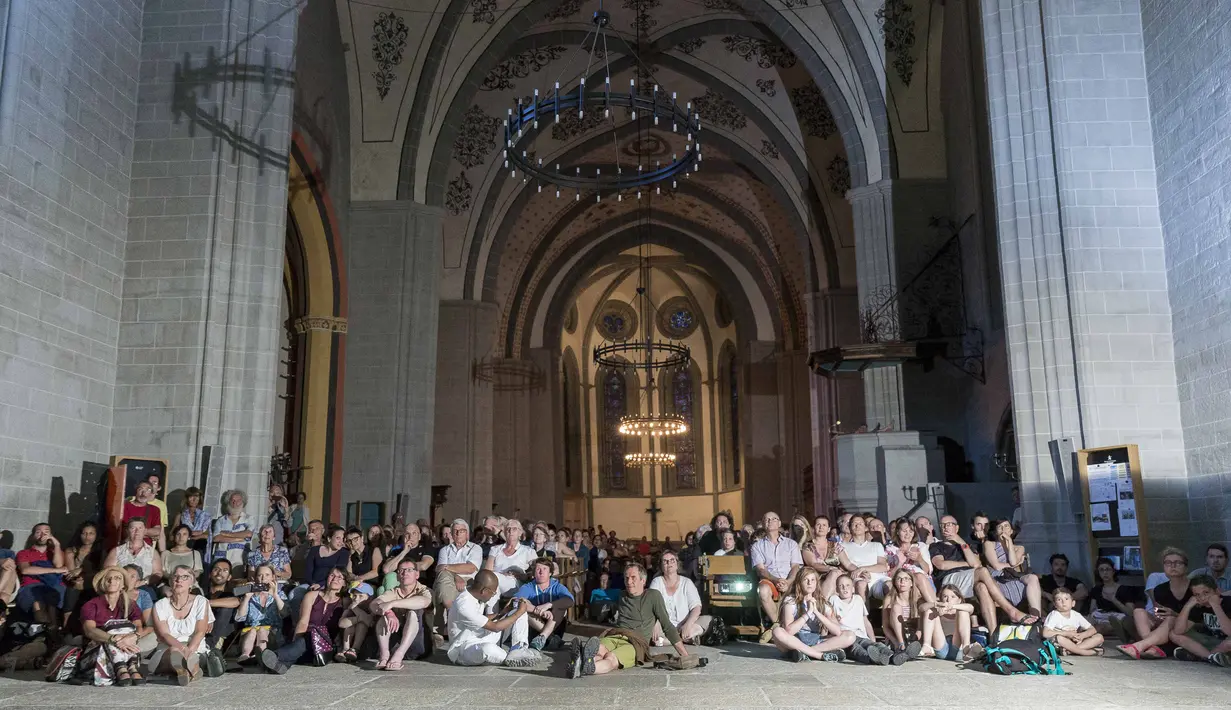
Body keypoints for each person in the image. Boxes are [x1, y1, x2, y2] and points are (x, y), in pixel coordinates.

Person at [569, 562, 685, 678]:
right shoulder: (621, 595)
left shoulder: (653, 596)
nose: (629, 582)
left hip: (636, 643)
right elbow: (601, 598)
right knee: (599, 649)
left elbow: (667, 626)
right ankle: (582, 662)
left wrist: (684, 655)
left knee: (611, 657)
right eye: (627, 578)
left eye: (633, 578)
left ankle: (583, 664)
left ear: (643, 580)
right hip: (615, 635)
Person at [929, 515, 1035, 628]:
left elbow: (975, 564)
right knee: (982, 571)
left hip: (969, 579)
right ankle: (1012, 611)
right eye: (942, 525)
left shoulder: (966, 545)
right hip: (950, 580)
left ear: (957, 528)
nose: (946, 527)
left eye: (949, 524)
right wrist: (966, 564)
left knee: (981, 588)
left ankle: (993, 634)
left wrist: (960, 542)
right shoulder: (936, 546)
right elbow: (941, 564)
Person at [261, 567, 346, 673]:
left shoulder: (344, 602)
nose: (335, 579)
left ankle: (277, 656)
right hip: (304, 639)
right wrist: (295, 643)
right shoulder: (311, 596)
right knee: (306, 639)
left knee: (307, 640)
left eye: (339, 577)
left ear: (344, 583)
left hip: (324, 647)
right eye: (332, 575)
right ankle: (279, 665)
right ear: (327, 577)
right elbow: (303, 621)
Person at [446, 569, 538, 667]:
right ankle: (509, 657)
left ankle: (518, 650)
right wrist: (520, 612)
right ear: (484, 591)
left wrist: (503, 613)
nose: (493, 595)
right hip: (464, 648)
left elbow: (480, 618)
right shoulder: (464, 605)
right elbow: (495, 627)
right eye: (493, 593)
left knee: (516, 611)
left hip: (482, 634)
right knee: (488, 649)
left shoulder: (473, 593)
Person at [1118, 547, 1192, 659]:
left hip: (1189, 624)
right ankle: (1150, 646)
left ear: (1185, 567)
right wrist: (1159, 618)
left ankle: (1140, 646)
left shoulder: (1194, 586)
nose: (1172, 566)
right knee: (1138, 611)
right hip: (1166, 625)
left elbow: (1198, 616)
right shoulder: (1160, 589)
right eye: (1168, 563)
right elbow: (1159, 612)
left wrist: (1174, 614)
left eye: (1177, 563)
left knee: (1171, 619)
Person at [149, 565, 217, 685]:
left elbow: (200, 631)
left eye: (185, 577)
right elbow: (164, 634)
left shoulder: (201, 601)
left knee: (191, 656)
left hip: (194, 647)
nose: (179, 580)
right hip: (169, 647)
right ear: (170, 582)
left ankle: (184, 668)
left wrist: (188, 651)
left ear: (192, 583)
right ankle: (188, 670)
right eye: (176, 576)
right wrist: (181, 649)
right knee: (173, 652)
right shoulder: (160, 605)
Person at [79, 566, 146, 686]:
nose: (112, 581)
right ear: (103, 584)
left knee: (127, 628)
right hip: (96, 654)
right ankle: (122, 668)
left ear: (123, 585)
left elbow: (139, 626)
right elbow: (89, 630)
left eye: (117, 578)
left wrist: (133, 636)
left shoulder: (130, 604)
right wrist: (113, 639)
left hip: (126, 651)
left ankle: (131, 667)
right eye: (108, 579)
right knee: (111, 628)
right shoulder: (91, 604)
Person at [770, 567, 852, 662]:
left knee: (850, 635)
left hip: (816, 641)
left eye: (813, 580)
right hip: (795, 640)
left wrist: (816, 612)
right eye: (806, 580)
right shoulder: (790, 601)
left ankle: (804, 653)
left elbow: (837, 631)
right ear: (799, 582)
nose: (810, 583)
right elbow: (789, 631)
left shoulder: (822, 602)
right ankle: (819, 655)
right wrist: (808, 613)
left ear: (816, 583)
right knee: (777, 631)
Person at [368, 560, 433, 669]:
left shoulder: (424, 590)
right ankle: (384, 656)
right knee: (384, 616)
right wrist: (389, 613)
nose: (404, 573)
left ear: (417, 574)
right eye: (401, 570)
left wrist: (392, 603)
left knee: (413, 613)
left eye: (409, 570)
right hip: (394, 643)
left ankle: (399, 655)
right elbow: (374, 604)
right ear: (397, 576)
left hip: (418, 645)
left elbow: (424, 601)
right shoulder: (393, 592)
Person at [829, 573, 901, 665]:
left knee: (876, 645)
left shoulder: (858, 599)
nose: (845, 588)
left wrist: (873, 639)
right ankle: (872, 659)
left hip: (861, 635)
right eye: (841, 586)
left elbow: (865, 621)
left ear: (853, 589)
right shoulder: (834, 600)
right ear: (836, 589)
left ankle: (893, 656)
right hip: (846, 638)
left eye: (848, 585)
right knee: (856, 650)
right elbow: (830, 620)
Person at [750, 511, 802, 636]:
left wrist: (788, 581)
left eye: (774, 519)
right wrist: (776, 580)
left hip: (790, 579)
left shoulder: (791, 544)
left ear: (779, 523)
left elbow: (795, 566)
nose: (770, 521)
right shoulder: (757, 546)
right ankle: (779, 626)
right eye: (766, 519)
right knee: (762, 590)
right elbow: (761, 570)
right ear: (763, 523)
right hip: (770, 580)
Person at [981, 519, 1043, 620]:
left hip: (1014, 578)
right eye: (1000, 527)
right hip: (998, 580)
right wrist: (1016, 563)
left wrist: (1009, 543)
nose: (1003, 529)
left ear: (1011, 531)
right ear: (996, 532)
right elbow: (996, 566)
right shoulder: (989, 544)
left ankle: (1036, 617)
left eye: (1006, 526)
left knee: (1032, 578)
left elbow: (1013, 562)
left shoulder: (1019, 548)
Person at [433, 518, 483, 640]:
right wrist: (456, 575)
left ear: (467, 533)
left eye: (461, 531)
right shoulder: (445, 550)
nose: (457, 533)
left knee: (440, 586)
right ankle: (452, 612)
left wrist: (449, 568)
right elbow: (439, 568)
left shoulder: (475, 548)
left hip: (469, 582)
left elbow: (471, 568)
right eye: (455, 531)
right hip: (449, 579)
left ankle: (439, 629)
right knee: (442, 579)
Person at [648, 550, 712, 646]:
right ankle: (685, 639)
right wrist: (655, 623)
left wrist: (688, 624)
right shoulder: (656, 582)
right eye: (665, 561)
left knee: (709, 620)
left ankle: (671, 640)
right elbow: (651, 606)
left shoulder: (687, 582)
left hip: (685, 625)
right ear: (661, 566)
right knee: (653, 635)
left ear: (677, 564)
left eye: (672, 560)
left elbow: (696, 607)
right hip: (664, 627)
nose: (669, 563)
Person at [1169, 574, 1231, 665]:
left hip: (1226, 642)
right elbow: (1178, 631)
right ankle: (1211, 657)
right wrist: (1187, 606)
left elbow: (1229, 631)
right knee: (1173, 634)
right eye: (1197, 595)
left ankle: (1199, 655)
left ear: (1217, 591)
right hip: (1210, 642)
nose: (1202, 598)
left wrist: (1216, 606)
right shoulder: (1199, 606)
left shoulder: (1228, 602)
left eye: (1206, 593)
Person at [514, 558, 574, 650]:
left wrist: (549, 605)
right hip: (534, 628)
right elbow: (515, 602)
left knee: (560, 606)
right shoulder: (528, 587)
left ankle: (543, 636)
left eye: (545, 569)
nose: (541, 572)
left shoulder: (557, 587)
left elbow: (570, 600)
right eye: (538, 569)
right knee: (523, 605)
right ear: (534, 573)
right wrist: (537, 611)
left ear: (550, 573)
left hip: (555, 625)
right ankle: (550, 638)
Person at [16, 522, 68, 629]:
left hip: (53, 587)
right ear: (33, 535)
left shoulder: (55, 552)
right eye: (38, 532)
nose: (42, 535)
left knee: (52, 603)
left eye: (46, 532)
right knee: (38, 604)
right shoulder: (24, 553)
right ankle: (45, 635)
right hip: (32, 586)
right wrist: (54, 570)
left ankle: (52, 634)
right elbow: (26, 570)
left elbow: (59, 565)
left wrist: (57, 545)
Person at [234, 564, 286, 664]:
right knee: (253, 630)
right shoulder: (250, 595)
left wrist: (275, 595)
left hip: (272, 634)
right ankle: (245, 655)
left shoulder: (279, 594)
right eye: (260, 575)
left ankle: (262, 655)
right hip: (250, 633)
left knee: (262, 630)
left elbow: (285, 613)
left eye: (267, 575)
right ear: (255, 577)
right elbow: (240, 618)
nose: (263, 578)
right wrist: (247, 597)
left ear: (273, 577)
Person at [920, 583, 981, 662]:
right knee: (929, 611)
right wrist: (936, 605)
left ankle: (967, 648)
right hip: (941, 648)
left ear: (959, 599)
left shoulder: (961, 611)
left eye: (953, 597)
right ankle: (926, 646)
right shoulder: (938, 610)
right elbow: (921, 608)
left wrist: (952, 607)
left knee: (963, 612)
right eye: (945, 596)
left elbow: (971, 607)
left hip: (959, 649)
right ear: (941, 598)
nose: (948, 600)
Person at [61, 521, 104, 628]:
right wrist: (78, 576)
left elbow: (102, 571)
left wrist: (81, 570)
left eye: (91, 533)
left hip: (93, 581)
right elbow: (71, 573)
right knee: (74, 587)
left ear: (96, 535)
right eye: (84, 533)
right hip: (76, 582)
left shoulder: (100, 551)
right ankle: (65, 629)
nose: (87, 537)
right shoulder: (71, 550)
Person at [1089, 556, 1141, 641]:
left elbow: (1130, 612)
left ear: (1113, 571)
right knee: (1095, 625)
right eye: (1101, 570)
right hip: (1101, 618)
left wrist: (1114, 600)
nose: (1105, 572)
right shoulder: (1096, 589)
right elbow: (1092, 610)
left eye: (1107, 569)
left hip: (1120, 618)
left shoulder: (1124, 589)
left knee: (1110, 625)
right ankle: (1122, 632)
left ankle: (1121, 630)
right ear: (1098, 573)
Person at [837, 515, 889, 600]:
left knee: (889, 585)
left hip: (877, 579)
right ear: (850, 528)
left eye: (860, 523)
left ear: (865, 528)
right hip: (857, 577)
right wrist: (862, 573)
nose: (857, 526)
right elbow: (847, 564)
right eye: (854, 524)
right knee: (861, 584)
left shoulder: (877, 545)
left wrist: (862, 569)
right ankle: (865, 613)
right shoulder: (842, 546)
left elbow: (883, 566)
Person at [884, 518, 935, 602]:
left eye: (911, 531)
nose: (908, 534)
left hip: (922, 582)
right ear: (897, 532)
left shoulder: (920, 546)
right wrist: (899, 563)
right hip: (902, 582)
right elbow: (889, 576)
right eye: (904, 531)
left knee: (919, 576)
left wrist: (920, 559)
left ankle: (934, 608)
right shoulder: (890, 550)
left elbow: (928, 571)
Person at [1043, 587, 1105, 656]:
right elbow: (1046, 633)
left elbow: (1092, 629)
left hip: (1075, 641)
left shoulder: (1076, 615)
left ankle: (1070, 651)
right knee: (1059, 638)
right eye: (1059, 600)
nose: (1063, 602)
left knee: (1099, 637)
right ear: (1054, 604)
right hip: (1062, 643)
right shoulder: (1054, 615)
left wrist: (1082, 636)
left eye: (1066, 599)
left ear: (1073, 603)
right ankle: (1084, 652)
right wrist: (1066, 633)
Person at [484, 519, 535, 596]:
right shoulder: (495, 549)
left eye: (514, 529)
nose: (511, 531)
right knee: (493, 589)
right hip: (495, 582)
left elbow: (537, 569)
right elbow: (487, 570)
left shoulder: (528, 551)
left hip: (515, 584)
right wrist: (502, 574)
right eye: (508, 529)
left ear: (520, 533)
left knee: (492, 580)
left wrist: (522, 575)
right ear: (504, 532)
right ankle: (492, 608)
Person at [105, 518, 162, 585]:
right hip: (120, 588)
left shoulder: (152, 553)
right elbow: (106, 571)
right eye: (133, 528)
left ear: (144, 531)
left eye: (140, 528)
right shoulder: (117, 551)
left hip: (144, 588)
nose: (137, 531)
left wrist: (143, 582)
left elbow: (158, 573)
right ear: (127, 531)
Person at [380, 524, 435, 593]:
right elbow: (386, 569)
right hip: (399, 584)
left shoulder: (426, 548)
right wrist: (404, 552)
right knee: (383, 586)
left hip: (419, 584)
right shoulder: (396, 551)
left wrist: (401, 568)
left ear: (419, 536)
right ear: (403, 537)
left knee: (383, 588)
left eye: (414, 533)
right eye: (407, 533)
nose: (410, 536)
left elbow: (423, 566)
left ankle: (393, 600)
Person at [881, 568, 925, 653]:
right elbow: (885, 626)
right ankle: (901, 645)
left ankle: (908, 650)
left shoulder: (918, 599)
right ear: (894, 582)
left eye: (906, 578)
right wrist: (896, 642)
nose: (902, 581)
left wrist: (916, 638)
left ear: (911, 583)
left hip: (913, 636)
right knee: (896, 607)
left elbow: (921, 626)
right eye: (899, 578)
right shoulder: (889, 599)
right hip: (895, 637)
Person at [211, 490, 254, 570]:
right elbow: (216, 538)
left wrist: (227, 534)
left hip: (239, 558)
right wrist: (239, 539)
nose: (235, 503)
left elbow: (248, 534)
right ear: (228, 502)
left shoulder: (248, 519)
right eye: (233, 500)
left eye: (238, 500)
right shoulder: (221, 520)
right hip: (221, 557)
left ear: (243, 502)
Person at [202, 559, 240, 648]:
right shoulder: (201, 594)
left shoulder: (231, 594)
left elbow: (236, 601)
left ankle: (208, 645)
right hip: (202, 631)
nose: (219, 573)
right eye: (216, 569)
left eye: (225, 571)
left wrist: (206, 603)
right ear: (209, 574)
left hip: (223, 636)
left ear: (229, 577)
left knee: (226, 609)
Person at [122, 482, 164, 548]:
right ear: (136, 491)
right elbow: (124, 531)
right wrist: (148, 533)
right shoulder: (125, 507)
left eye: (148, 490)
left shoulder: (154, 509)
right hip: (127, 546)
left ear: (151, 493)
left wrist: (135, 532)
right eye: (140, 489)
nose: (143, 493)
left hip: (146, 548)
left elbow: (157, 531)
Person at [178, 486, 212, 553]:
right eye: (191, 497)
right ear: (187, 498)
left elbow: (206, 535)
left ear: (200, 499)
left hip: (200, 547)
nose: (194, 499)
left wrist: (189, 536)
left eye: (196, 497)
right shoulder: (181, 515)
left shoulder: (205, 516)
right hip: (183, 546)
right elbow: (173, 534)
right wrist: (197, 534)